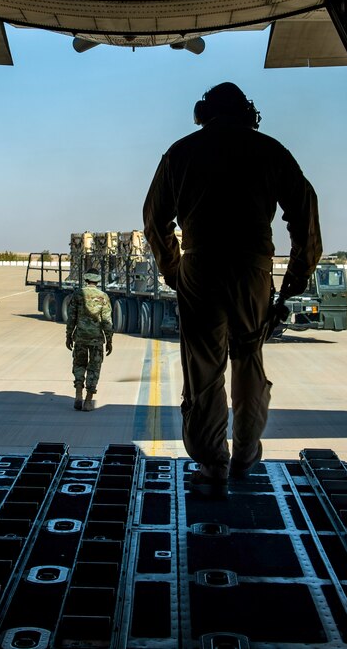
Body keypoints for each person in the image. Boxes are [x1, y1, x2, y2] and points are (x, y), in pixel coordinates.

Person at [142, 82, 322, 497]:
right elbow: (306, 219)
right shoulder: (271, 151)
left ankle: (213, 465)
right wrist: (292, 284)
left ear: (203, 112)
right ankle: (244, 456)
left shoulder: (180, 153)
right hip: (252, 268)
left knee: (204, 370)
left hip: (200, 265)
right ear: (248, 114)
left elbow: (155, 220)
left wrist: (173, 269)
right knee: (249, 361)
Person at [66, 271, 113, 411]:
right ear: (98, 280)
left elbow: (71, 317)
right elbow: (107, 320)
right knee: (94, 368)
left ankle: (78, 395)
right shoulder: (103, 297)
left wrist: (68, 335)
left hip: (80, 337)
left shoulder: (78, 294)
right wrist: (109, 340)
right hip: (96, 340)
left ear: (86, 279)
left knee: (79, 365)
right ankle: (87, 401)